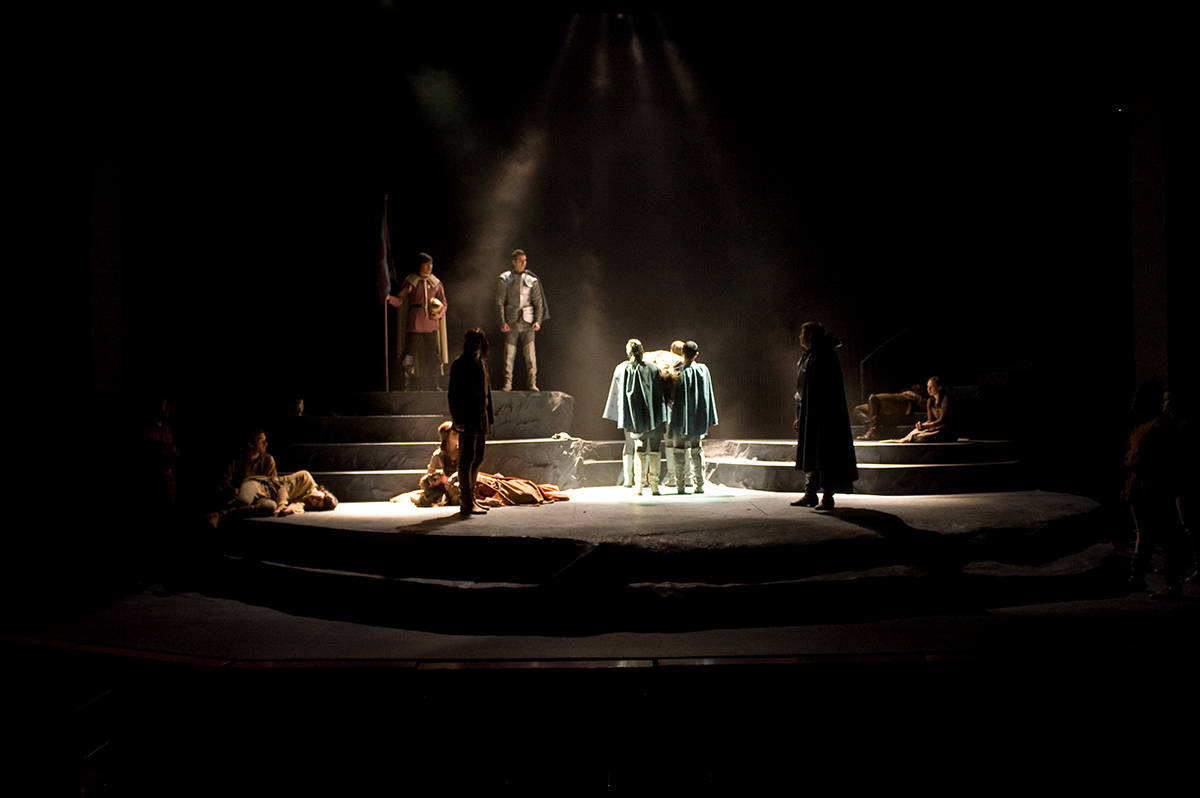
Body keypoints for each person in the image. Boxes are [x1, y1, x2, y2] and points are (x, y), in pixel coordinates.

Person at [399, 420, 568, 508]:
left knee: (511, 483)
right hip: (462, 485)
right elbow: (431, 475)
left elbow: (470, 468)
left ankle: (535, 489)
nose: (457, 437)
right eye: (453, 434)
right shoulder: (439, 457)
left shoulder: (461, 451)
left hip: (471, 479)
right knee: (518, 491)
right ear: (446, 437)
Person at [1122, 383, 1186, 599]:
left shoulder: (1160, 424)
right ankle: (1137, 577)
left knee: (1166, 536)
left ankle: (1172, 584)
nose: (1132, 401)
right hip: (1138, 488)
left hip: (1154, 487)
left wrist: (1139, 462)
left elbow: (1169, 456)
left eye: (1136, 397)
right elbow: (1130, 456)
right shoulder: (1142, 425)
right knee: (1144, 533)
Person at [793, 322, 858, 511]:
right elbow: (801, 390)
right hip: (810, 414)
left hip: (825, 417)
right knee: (811, 452)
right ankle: (810, 493)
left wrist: (821, 416)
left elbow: (829, 391)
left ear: (810, 335)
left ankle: (828, 496)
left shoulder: (825, 356)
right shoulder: (807, 357)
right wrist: (800, 414)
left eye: (802, 333)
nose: (800, 337)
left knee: (825, 454)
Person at [603, 339, 669, 495]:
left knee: (639, 448)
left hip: (635, 417)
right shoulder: (653, 368)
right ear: (642, 350)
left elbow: (618, 394)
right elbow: (660, 394)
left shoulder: (621, 369)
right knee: (655, 449)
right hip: (654, 416)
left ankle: (638, 485)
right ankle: (654, 485)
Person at [448, 327, 494, 516]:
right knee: (467, 459)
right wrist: (458, 419)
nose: (475, 345)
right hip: (467, 417)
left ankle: (471, 498)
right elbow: (453, 395)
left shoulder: (481, 363)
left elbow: (487, 392)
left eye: (478, 342)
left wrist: (489, 417)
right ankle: (466, 501)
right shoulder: (460, 365)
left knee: (478, 458)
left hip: (480, 418)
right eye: (472, 342)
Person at [388, 252, 448, 391]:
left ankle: (434, 384)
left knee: (433, 355)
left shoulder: (436, 283)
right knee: (410, 353)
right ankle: (405, 384)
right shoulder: (411, 282)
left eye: (431, 265)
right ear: (420, 265)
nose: (429, 267)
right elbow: (399, 300)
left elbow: (444, 303)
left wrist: (439, 315)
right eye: (426, 265)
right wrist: (388, 298)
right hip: (415, 323)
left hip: (431, 323)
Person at [668, 341, 718, 494]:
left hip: (679, 418)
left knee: (678, 451)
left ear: (682, 353)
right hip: (696, 419)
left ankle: (680, 486)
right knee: (697, 450)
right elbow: (707, 395)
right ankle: (700, 484)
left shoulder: (676, 371)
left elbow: (670, 396)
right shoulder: (703, 370)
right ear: (696, 354)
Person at [495, 249, 548, 391]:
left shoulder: (532, 280)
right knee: (509, 356)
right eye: (520, 261)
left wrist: (538, 321)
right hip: (511, 322)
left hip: (528, 323)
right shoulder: (505, 279)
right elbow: (499, 301)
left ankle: (532, 383)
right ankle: (507, 383)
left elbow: (538, 303)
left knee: (530, 356)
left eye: (525, 261)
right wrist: (502, 321)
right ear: (514, 262)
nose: (523, 263)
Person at [238, 470, 338, 516]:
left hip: (268, 498)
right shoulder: (305, 477)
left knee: (269, 507)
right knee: (244, 501)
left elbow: (298, 506)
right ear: (323, 491)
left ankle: (233, 510)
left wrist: (288, 510)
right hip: (260, 486)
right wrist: (281, 505)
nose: (314, 500)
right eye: (318, 498)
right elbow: (284, 489)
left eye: (316, 504)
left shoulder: (308, 502)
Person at [889, 377, 956, 443]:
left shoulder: (945, 399)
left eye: (931, 387)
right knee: (913, 433)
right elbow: (930, 420)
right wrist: (921, 425)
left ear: (939, 388)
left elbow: (942, 420)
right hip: (935, 427)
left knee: (921, 438)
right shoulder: (930, 401)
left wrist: (926, 426)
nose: (929, 389)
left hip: (945, 430)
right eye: (928, 387)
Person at [855, 384, 925, 440]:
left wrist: (914, 395)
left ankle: (872, 431)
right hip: (886, 404)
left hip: (901, 402)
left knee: (872, 398)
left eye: (916, 386)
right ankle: (875, 431)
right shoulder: (904, 392)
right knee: (858, 409)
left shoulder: (916, 396)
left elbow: (924, 404)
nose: (914, 386)